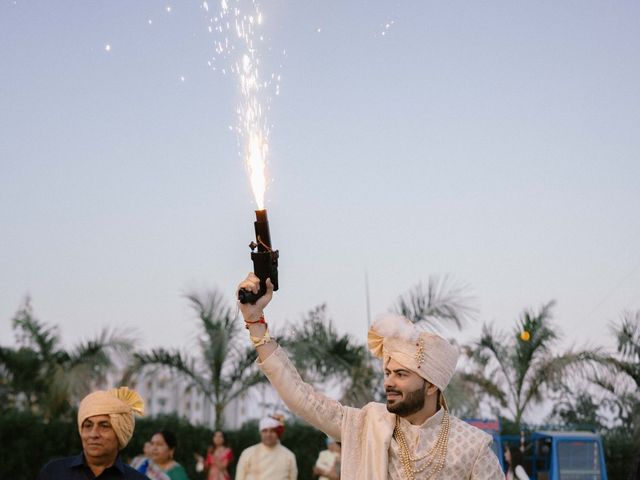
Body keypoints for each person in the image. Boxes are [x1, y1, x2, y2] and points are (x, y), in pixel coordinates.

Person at [237, 273, 504, 480]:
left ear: (431, 384)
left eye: (401, 374)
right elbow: (302, 398)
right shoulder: (367, 424)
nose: (389, 382)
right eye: (388, 372)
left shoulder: (473, 446)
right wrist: (255, 322)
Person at [37, 386, 148, 479]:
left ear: (120, 434)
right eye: (88, 426)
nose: (93, 434)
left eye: (104, 426)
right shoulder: (53, 473)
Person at [234, 415, 298, 480]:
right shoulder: (248, 453)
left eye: (272, 431)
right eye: (265, 431)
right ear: (260, 433)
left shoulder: (289, 456)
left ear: (278, 433)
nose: (268, 434)